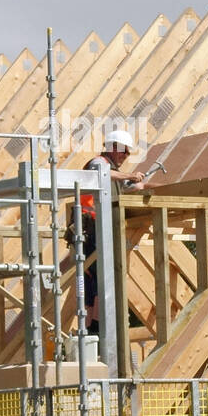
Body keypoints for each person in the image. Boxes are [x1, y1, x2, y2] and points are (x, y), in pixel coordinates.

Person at [76, 129, 145, 332]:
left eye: (128, 154)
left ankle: (92, 325)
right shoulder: (99, 163)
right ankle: (95, 325)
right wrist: (130, 175)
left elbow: (125, 186)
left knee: (95, 277)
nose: (125, 156)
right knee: (99, 275)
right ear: (113, 147)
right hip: (91, 227)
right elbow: (103, 174)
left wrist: (141, 184)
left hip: (98, 228)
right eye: (124, 151)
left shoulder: (114, 172)